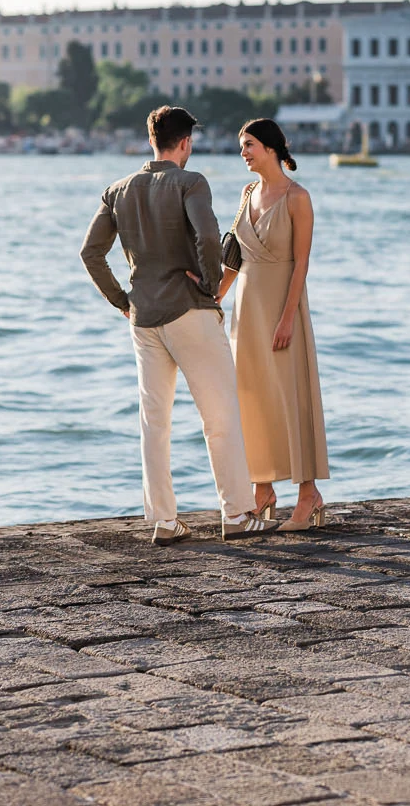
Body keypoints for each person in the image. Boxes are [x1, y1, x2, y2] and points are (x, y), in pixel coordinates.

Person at [81, 105, 278, 546]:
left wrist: (121, 301)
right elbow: (208, 236)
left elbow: (90, 254)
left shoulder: (117, 190)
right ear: (185, 142)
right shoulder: (191, 181)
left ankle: (165, 522)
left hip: (144, 318)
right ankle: (239, 513)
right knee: (220, 415)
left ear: (153, 139)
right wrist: (209, 285)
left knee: (155, 422)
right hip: (189, 310)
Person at [219, 117, 331, 531]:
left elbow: (302, 263)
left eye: (248, 145)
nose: (243, 153)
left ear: (270, 148)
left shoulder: (298, 198)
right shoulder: (247, 193)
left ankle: (308, 496)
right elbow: (234, 256)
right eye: (241, 146)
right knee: (250, 398)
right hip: (245, 313)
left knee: (292, 397)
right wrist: (215, 296)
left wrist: (287, 319)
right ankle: (262, 490)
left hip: (283, 309)